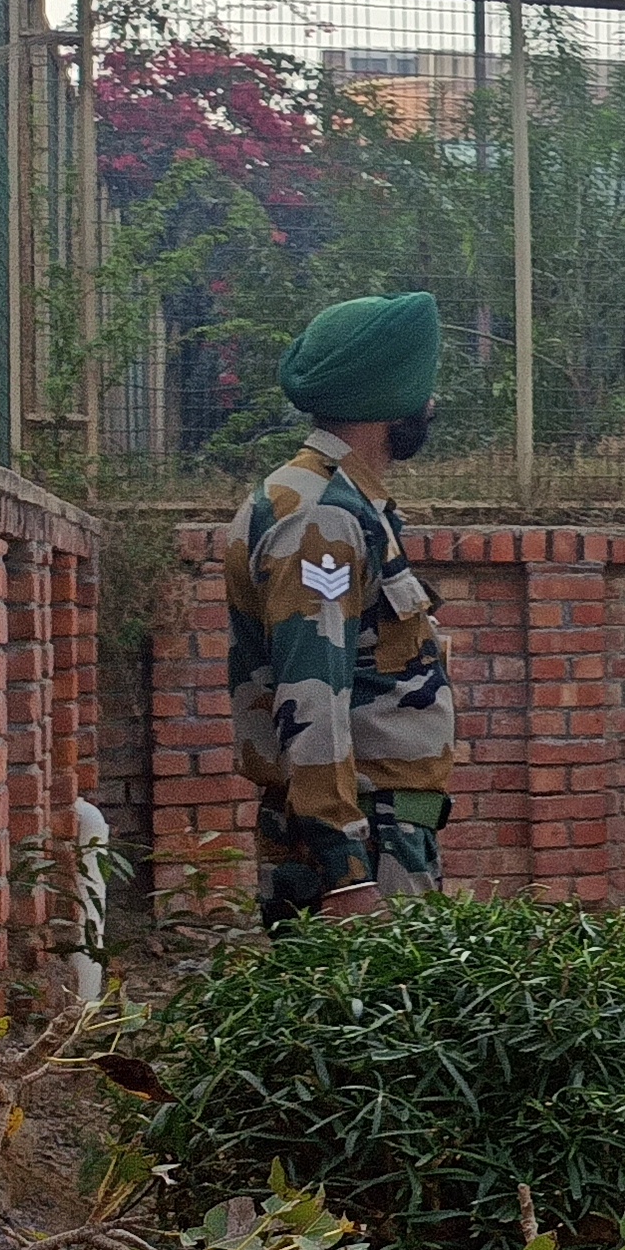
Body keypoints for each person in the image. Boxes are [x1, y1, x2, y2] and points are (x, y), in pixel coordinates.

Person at [219, 291, 460, 926]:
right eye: (423, 386)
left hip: (390, 824)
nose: (431, 403)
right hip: (365, 841)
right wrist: (345, 872)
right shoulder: (323, 514)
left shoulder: (341, 499)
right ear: (393, 398)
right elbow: (313, 691)